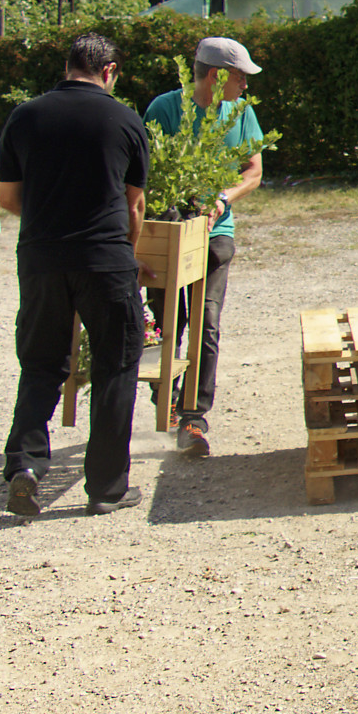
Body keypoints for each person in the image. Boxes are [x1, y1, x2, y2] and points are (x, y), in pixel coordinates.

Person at [0, 32, 150, 516]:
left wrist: (51, 220)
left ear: (68, 67)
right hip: (105, 259)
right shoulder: (124, 119)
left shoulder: (24, 116)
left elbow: (7, 197)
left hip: (41, 258)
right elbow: (135, 205)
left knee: (40, 363)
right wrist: (126, 253)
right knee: (115, 366)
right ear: (109, 71)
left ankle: (25, 465)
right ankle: (106, 488)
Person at [142, 36, 265, 458]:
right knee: (167, 320)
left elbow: (253, 172)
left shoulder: (242, 112)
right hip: (170, 231)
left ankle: (193, 417)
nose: (245, 85)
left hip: (216, 233)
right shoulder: (164, 110)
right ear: (216, 76)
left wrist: (222, 198)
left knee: (206, 323)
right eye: (241, 77)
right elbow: (145, 172)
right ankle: (167, 400)